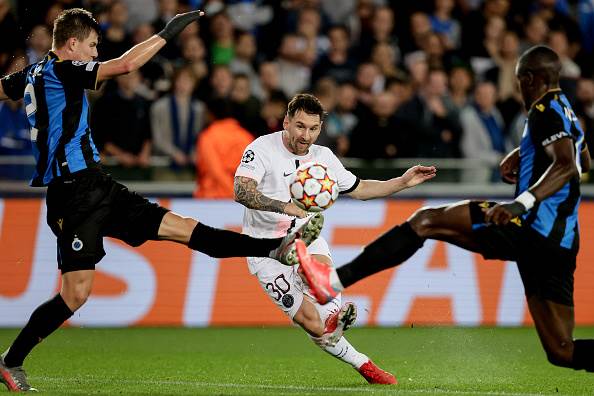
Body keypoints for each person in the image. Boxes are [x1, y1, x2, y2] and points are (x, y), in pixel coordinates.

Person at [0, 9, 322, 392]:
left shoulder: (31, 74)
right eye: (91, 45)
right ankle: (11, 361)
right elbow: (127, 65)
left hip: (98, 185)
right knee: (76, 294)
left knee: (182, 229)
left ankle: (273, 249)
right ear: (72, 44)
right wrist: (169, 32)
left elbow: (5, 87)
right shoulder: (63, 70)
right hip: (72, 195)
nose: (94, 52)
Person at [296, 46, 594, 373]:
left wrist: (519, 204)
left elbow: (566, 166)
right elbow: (584, 162)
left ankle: (333, 282)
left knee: (426, 221)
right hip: (561, 244)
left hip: (531, 227)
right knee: (561, 350)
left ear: (529, 79)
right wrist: (523, 152)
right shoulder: (566, 109)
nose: (517, 89)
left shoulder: (544, 109)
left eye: (518, 81)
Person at [233, 93, 436, 384]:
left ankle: (333, 315)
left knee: (322, 278)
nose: (306, 135)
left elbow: (361, 187)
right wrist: (284, 206)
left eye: (313, 129)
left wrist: (402, 182)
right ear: (286, 122)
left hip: (305, 234)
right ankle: (362, 362)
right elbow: (241, 190)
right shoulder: (262, 148)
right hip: (264, 247)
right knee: (312, 324)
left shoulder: (323, 157)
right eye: (300, 126)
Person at [194, 98, 253, 198]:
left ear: (211, 114)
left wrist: (232, 193)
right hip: (242, 197)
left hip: (212, 197)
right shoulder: (246, 136)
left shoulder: (208, 137)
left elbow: (215, 170)